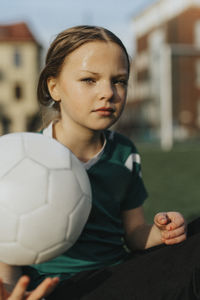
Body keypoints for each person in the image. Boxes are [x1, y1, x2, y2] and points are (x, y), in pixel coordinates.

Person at [1, 25, 199, 299]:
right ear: (54, 86)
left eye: (119, 80)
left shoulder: (124, 152)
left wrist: (161, 232)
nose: (108, 92)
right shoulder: (23, 157)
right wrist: (10, 292)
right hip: (55, 289)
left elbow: (134, 234)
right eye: (89, 80)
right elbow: (5, 250)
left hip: (116, 276)